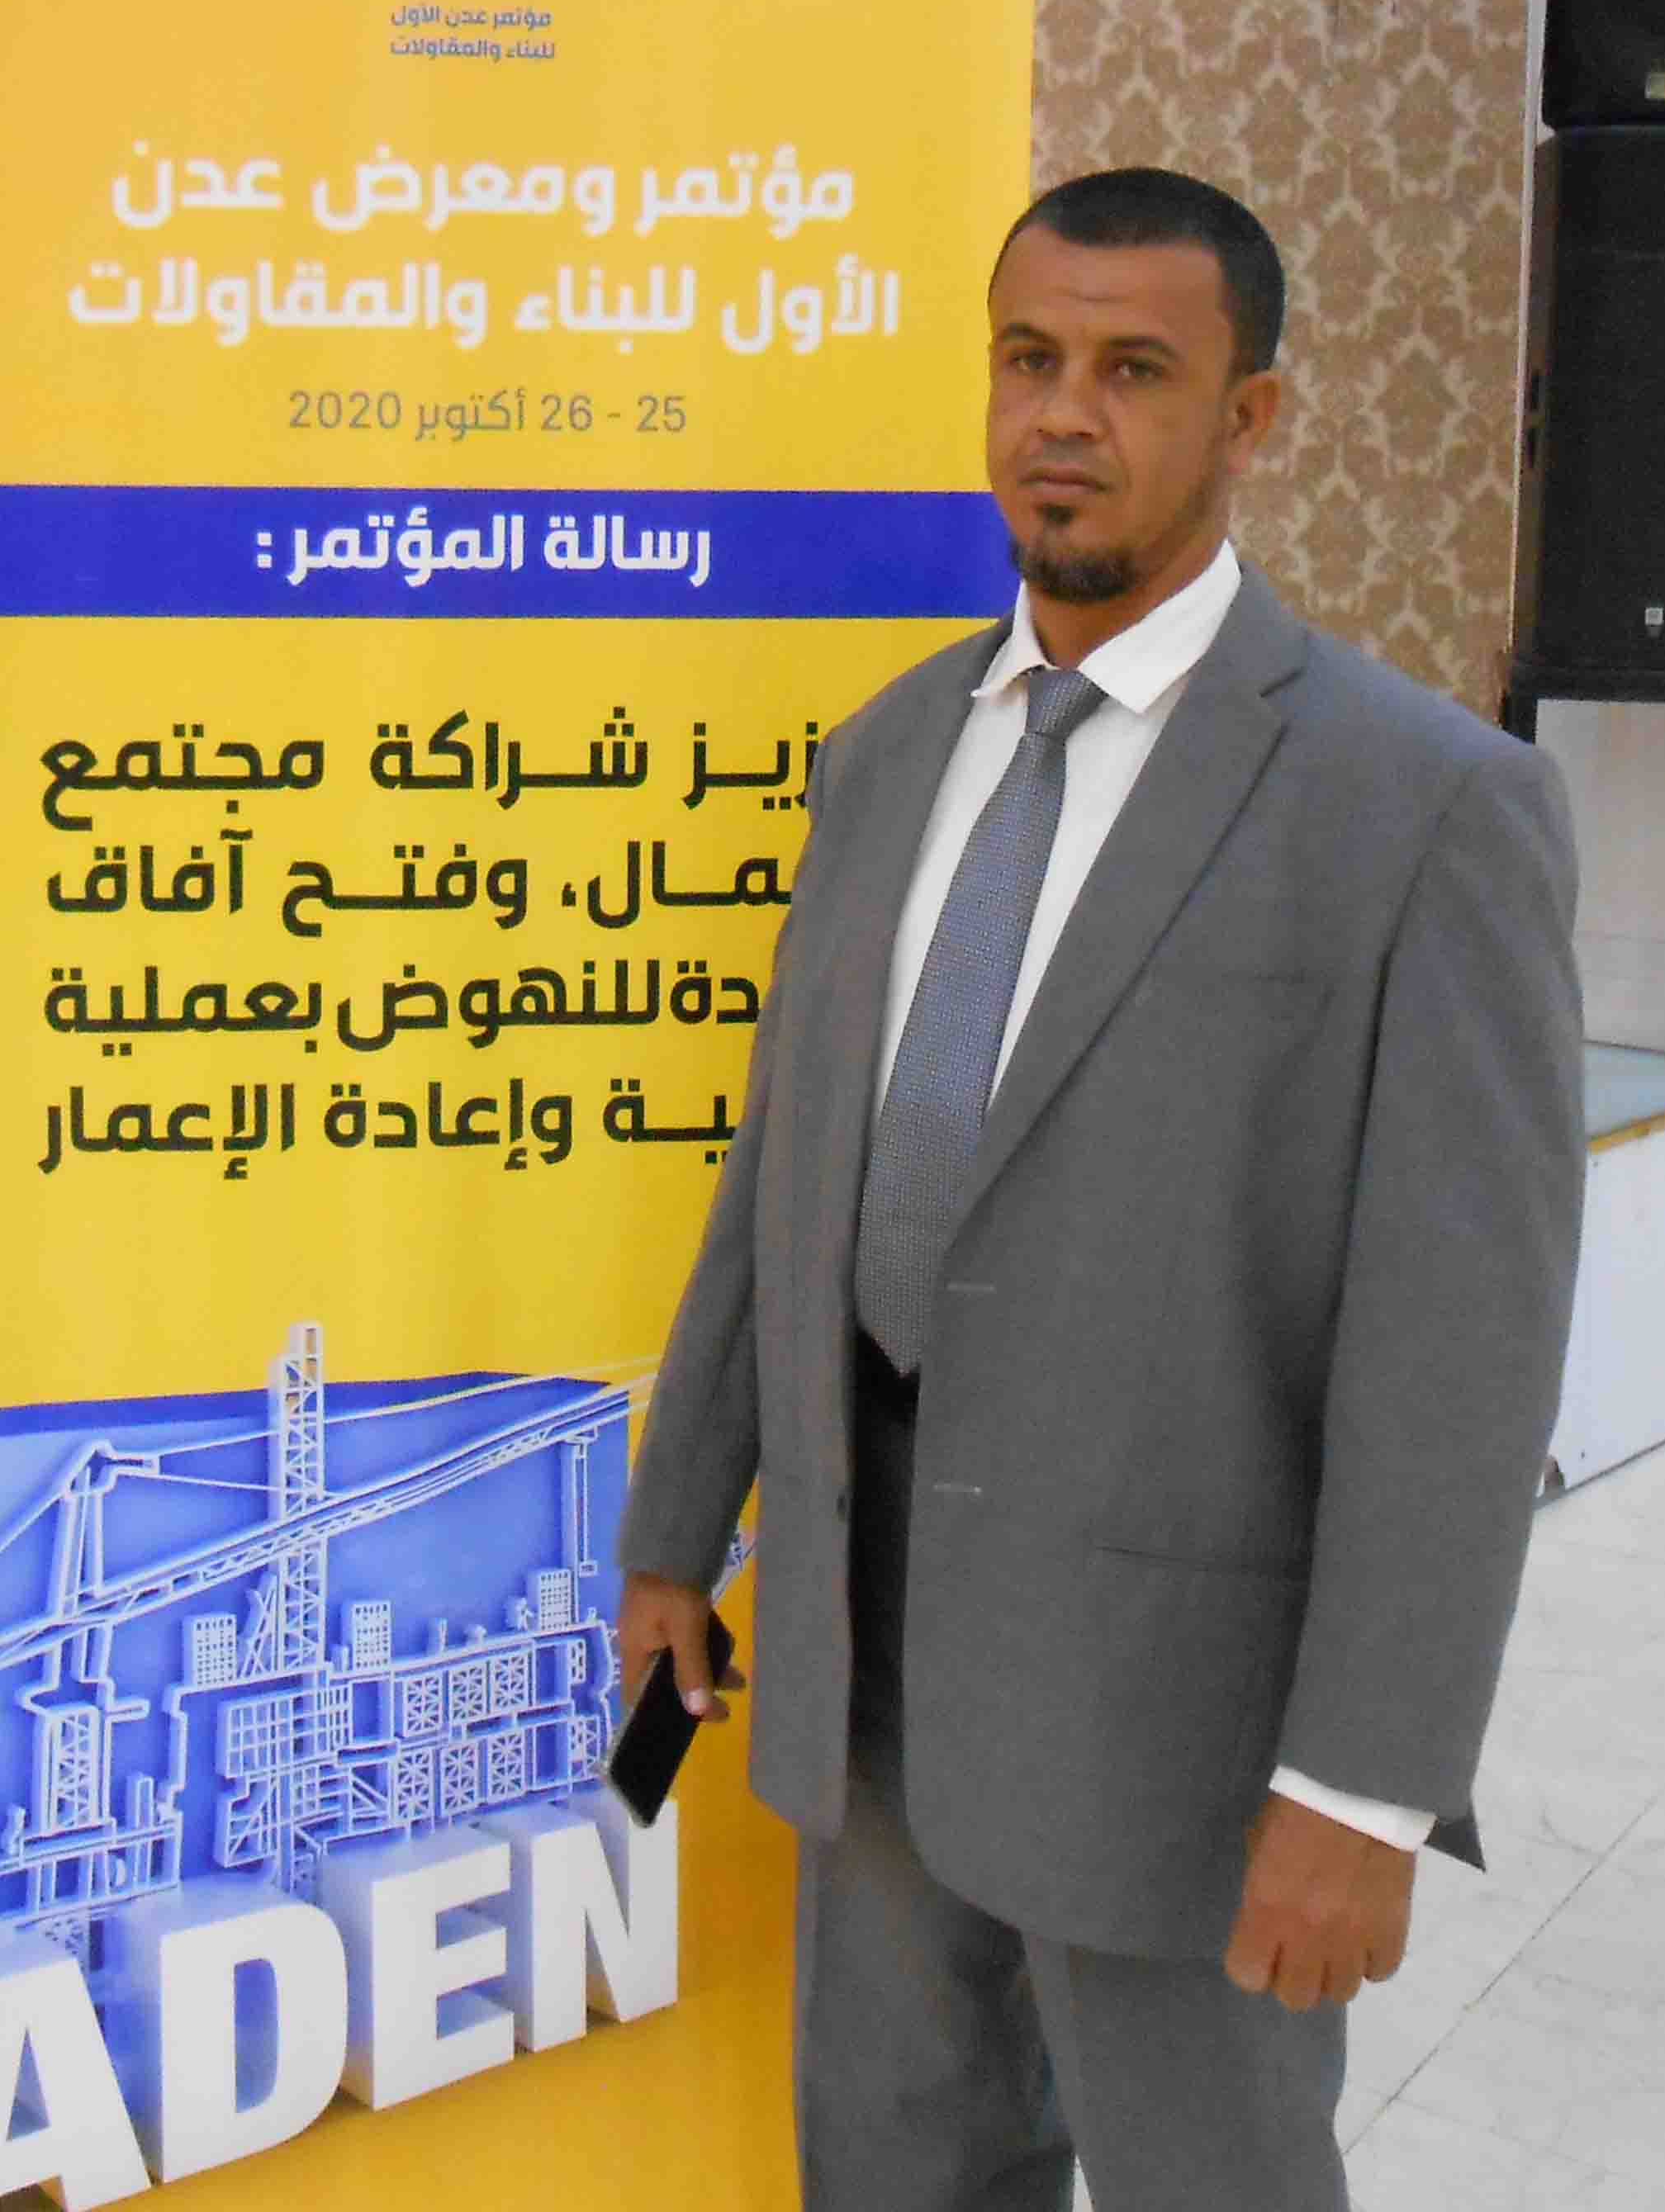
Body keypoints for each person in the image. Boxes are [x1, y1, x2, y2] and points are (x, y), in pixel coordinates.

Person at [615, 167, 1586, 2211]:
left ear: (1251, 417)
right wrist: (676, 1530)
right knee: (898, 2163)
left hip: (1185, 1722)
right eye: (1029, 359)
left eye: (1136, 370)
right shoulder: (890, 754)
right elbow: (784, 1178)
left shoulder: (1420, 806)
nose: (1064, 415)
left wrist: (1365, 1787)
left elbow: (1461, 1362)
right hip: (869, 1652)